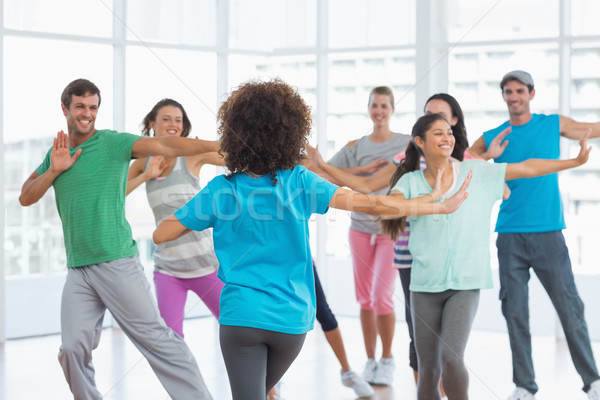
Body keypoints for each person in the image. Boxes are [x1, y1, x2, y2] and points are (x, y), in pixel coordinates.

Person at [152, 79, 472, 400]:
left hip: (243, 318)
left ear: (235, 134)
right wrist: (438, 204)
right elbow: (371, 202)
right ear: (290, 133)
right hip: (291, 323)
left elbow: (161, 234)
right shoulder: (301, 180)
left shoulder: (221, 189)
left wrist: (199, 211)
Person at [18, 79, 219, 400]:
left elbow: (167, 146)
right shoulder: (56, 152)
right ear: (65, 108)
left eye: (93, 107)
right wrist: (54, 170)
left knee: (157, 340)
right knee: (71, 349)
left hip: (117, 261)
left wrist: (213, 143)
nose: (87, 114)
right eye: (80, 107)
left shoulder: (113, 143)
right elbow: (26, 197)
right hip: (79, 269)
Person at [381, 113, 590, 400]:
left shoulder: (475, 172)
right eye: (438, 133)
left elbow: (527, 168)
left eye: (449, 132)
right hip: (424, 286)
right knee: (428, 369)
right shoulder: (411, 182)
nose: (447, 138)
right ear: (420, 142)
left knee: (452, 359)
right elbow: (388, 208)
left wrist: (573, 162)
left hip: (465, 285)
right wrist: (434, 196)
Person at [310, 93, 471, 394]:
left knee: (449, 345)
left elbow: (499, 184)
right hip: (411, 256)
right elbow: (371, 190)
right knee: (419, 335)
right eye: (428, 115)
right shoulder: (407, 164)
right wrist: (324, 166)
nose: (434, 121)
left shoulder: (466, 163)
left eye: (441, 118)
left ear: (454, 122)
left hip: (452, 262)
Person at [469, 70, 600, 400]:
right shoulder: (494, 135)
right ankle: (524, 385)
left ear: (531, 93)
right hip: (509, 236)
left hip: (548, 235)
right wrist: (489, 156)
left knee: (570, 309)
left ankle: (593, 382)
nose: (513, 97)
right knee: (515, 313)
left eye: (518, 91)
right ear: (503, 96)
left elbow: (592, 130)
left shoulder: (551, 124)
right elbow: (462, 165)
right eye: (507, 92)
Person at [327, 86, 410, 386]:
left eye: (384, 105)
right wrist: (358, 166)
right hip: (360, 229)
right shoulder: (356, 146)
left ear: (392, 109)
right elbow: (324, 172)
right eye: (375, 105)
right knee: (364, 300)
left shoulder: (406, 143)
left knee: (381, 297)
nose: (379, 111)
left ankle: (387, 359)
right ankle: (371, 360)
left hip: (390, 230)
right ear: (369, 108)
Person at [126, 98, 225, 338]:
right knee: (171, 341)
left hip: (207, 265)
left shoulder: (189, 157)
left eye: (178, 120)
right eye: (166, 119)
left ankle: (262, 377)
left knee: (237, 327)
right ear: (153, 124)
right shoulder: (143, 162)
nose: (173, 124)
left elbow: (228, 156)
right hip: (168, 269)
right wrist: (146, 175)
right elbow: (115, 193)